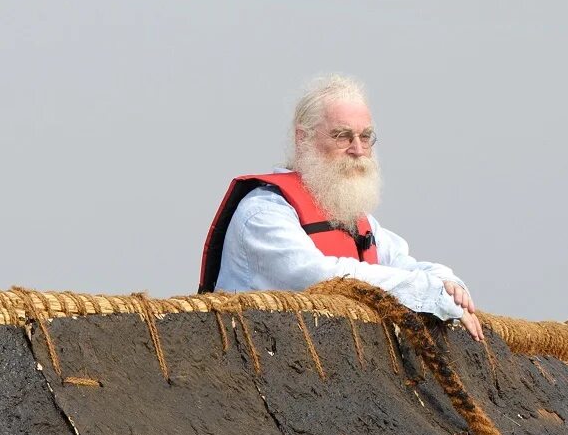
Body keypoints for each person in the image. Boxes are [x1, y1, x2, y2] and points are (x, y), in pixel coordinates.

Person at [198, 74, 481, 339]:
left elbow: (404, 265)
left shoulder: (356, 219)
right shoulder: (264, 212)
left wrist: (447, 282)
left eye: (365, 137)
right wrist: (428, 291)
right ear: (303, 138)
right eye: (343, 136)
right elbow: (319, 277)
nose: (358, 150)